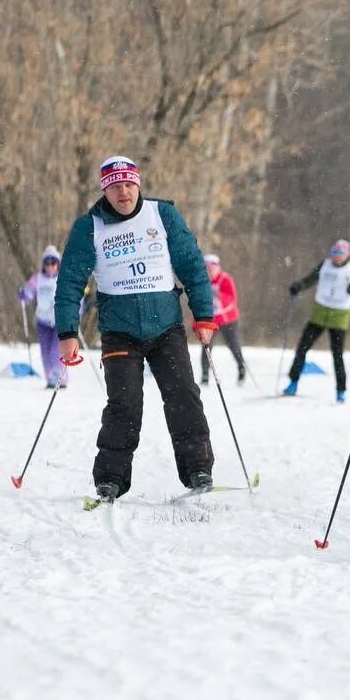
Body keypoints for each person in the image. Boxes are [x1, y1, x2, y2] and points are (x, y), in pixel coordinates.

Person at [55, 156, 218, 502]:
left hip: (167, 326)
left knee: (183, 395)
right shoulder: (90, 227)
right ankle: (110, 478)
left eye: (128, 184)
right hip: (119, 330)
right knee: (124, 404)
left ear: (138, 184)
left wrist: (203, 315)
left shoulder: (163, 215)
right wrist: (68, 332)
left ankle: (198, 468)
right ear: (105, 191)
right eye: (115, 186)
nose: (123, 192)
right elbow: (70, 281)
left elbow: (192, 265)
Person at [284, 240, 350, 402]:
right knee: (302, 348)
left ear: (347, 254)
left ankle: (341, 391)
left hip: (339, 316)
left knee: (337, 355)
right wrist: (298, 286)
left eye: (340, 253)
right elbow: (310, 279)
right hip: (319, 314)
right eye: (335, 251)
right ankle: (293, 382)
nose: (336, 256)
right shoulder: (324, 265)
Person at [19, 245, 68, 388]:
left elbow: (73, 296)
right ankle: (51, 379)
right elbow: (29, 292)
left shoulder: (63, 278)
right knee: (45, 352)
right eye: (47, 263)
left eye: (53, 263)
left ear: (58, 264)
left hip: (60, 320)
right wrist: (24, 295)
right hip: (43, 321)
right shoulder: (38, 279)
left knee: (56, 351)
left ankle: (60, 378)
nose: (50, 266)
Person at [200, 254, 248, 387]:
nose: (209, 272)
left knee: (233, 345)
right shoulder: (202, 282)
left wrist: (218, 294)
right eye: (207, 269)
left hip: (228, 319)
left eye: (211, 268)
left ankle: (241, 369)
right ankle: (205, 376)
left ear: (217, 268)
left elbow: (232, 300)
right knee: (206, 347)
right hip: (211, 321)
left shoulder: (225, 279)